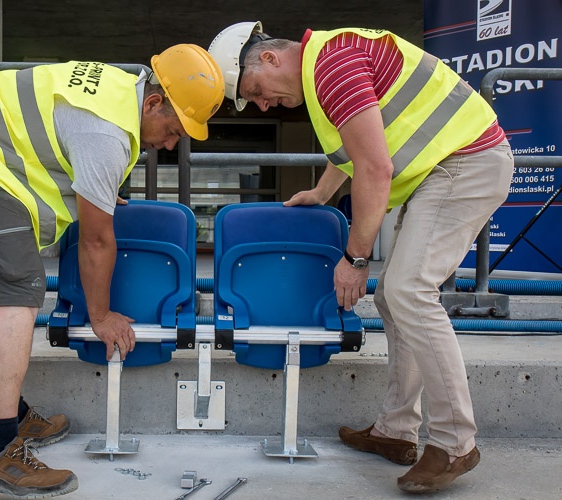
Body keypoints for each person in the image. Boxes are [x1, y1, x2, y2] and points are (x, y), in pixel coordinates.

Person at [0, 44, 224, 498]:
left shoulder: (117, 92)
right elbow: (96, 241)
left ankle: (10, 416)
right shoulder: (107, 132)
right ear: (153, 102)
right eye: (173, 130)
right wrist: (101, 316)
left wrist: (97, 186)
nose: (171, 144)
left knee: (10, 292)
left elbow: (58, 140)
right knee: (16, 292)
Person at [209, 22, 513, 493]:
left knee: (409, 292)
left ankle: (455, 443)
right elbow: (354, 147)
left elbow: (374, 167)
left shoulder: (331, 67)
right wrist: (321, 192)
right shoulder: (325, 64)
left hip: (465, 163)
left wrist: (355, 258)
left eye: (255, 92)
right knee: (396, 298)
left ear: (268, 58)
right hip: (447, 168)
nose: (264, 105)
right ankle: (396, 430)